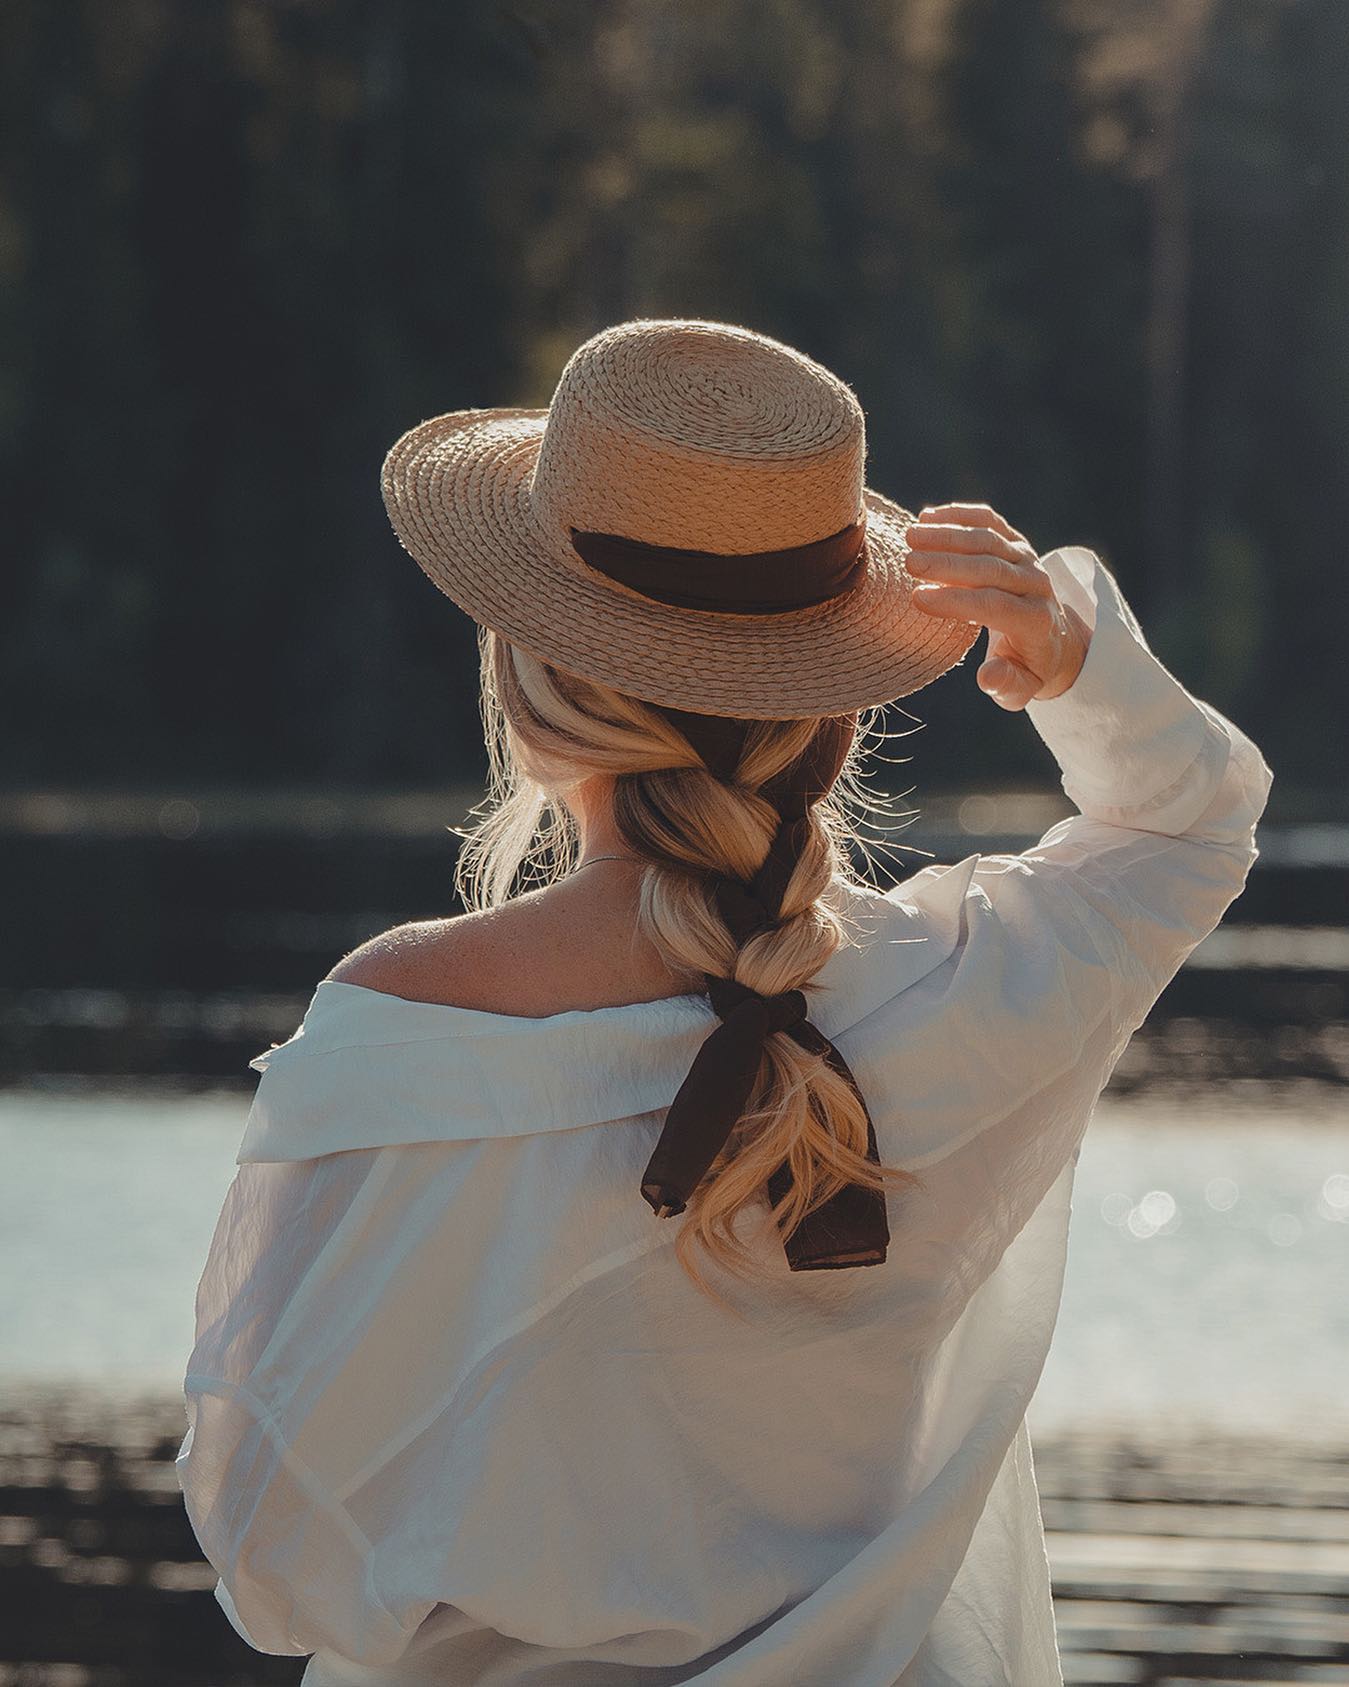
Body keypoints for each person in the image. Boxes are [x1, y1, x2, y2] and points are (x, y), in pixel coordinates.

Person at [175, 319, 1271, 1686]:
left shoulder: (407, 1020)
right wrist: (1071, 656)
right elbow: (1189, 827)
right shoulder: (977, 986)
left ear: (527, 683)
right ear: (839, 705)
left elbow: (272, 1542)